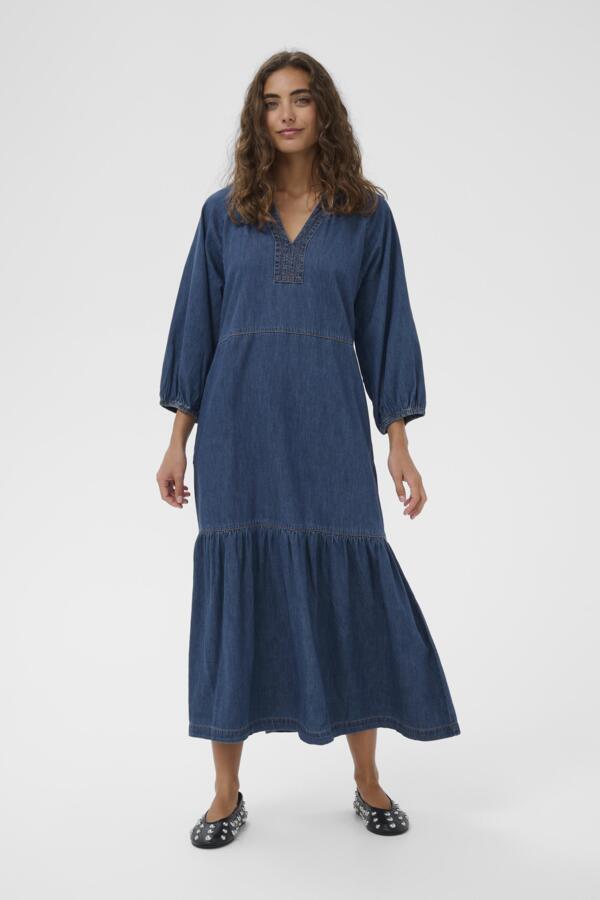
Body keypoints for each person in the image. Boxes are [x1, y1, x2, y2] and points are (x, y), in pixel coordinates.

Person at [156, 50, 461, 848]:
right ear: (257, 119)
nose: (286, 114)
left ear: (325, 110)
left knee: (350, 592)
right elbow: (196, 329)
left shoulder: (366, 216)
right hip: (239, 435)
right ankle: (225, 792)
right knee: (235, 598)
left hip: (329, 431)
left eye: (299, 99)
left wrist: (398, 441)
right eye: (271, 102)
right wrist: (177, 440)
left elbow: (388, 330)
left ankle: (366, 777)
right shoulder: (224, 215)